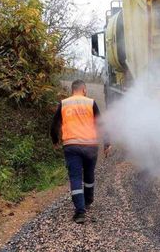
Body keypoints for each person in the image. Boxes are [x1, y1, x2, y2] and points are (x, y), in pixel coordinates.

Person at [51, 79, 110, 224]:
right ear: (84, 90)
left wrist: (55, 140)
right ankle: (88, 200)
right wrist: (107, 143)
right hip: (90, 145)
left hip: (71, 146)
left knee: (75, 177)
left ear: (72, 90)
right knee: (89, 174)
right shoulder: (90, 102)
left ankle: (80, 212)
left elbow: (54, 124)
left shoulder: (64, 103)